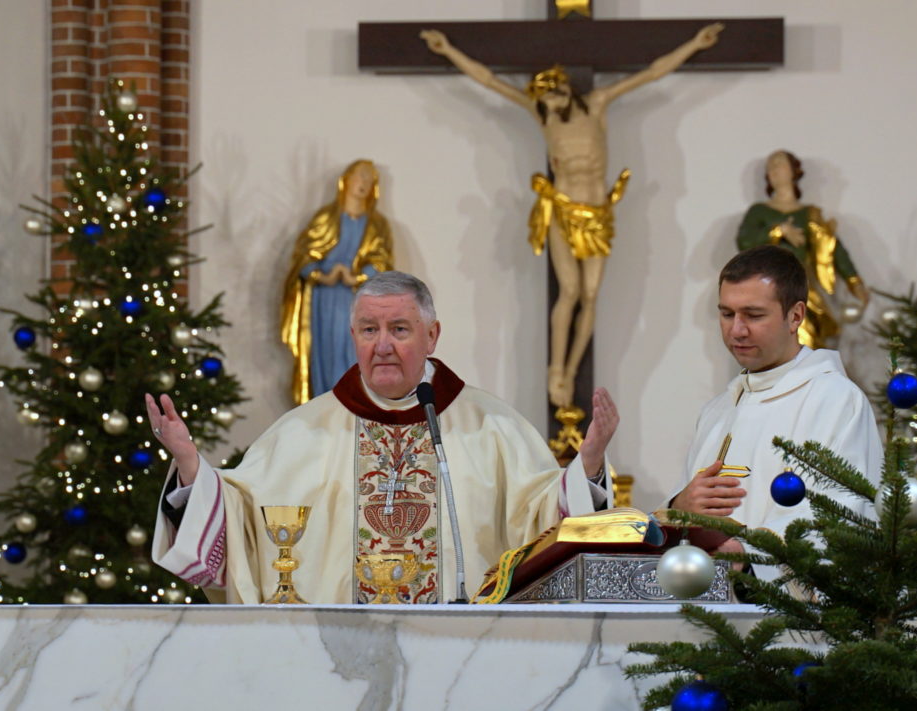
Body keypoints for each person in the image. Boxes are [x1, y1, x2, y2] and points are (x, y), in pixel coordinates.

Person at [149, 271, 618, 604]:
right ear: (353, 335)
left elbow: (544, 521)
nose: (383, 345)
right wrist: (192, 465)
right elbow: (244, 520)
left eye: (399, 329)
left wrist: (589, 463)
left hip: (463, 655)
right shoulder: (301, 431)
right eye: (370, 330)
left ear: (431, 336)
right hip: (335, 660)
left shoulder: (493, 426)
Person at [421, 24, 723, 410]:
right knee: (569, 292)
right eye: (542, 96)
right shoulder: (542, 115)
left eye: (552, 92)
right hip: (563, 210)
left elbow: (650, 73)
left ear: (563, 86)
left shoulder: (597, 105)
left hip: (597, 213)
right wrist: (447, 50)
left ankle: (573, 361)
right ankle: (557, 369)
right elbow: (489, 81)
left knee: (591, 294)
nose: (548, 100)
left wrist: (694, 44)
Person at [666, 245, 882, 580]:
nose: (737, 330)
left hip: (794, 619)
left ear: (795, 316)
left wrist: (749, 553)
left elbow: (838, 513)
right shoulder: (718, 411)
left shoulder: (835, 400)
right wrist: (678, 505)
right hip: (707, 609)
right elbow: (686, 514)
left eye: (753, 315)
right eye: (727, 314)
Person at [281, 159, 393, 405]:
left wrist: (359, 276)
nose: (363, 183)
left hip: (360, 300)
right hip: (324, 301)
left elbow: (383, 262)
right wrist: (323, 275)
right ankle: (324, 407)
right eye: (358, 176)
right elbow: (303, 258)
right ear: (345, 181)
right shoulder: (324, 219)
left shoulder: (377, 225)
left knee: (357, 354)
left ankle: (357, 407)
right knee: (326, 357)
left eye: (369, 179)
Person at [736, 150, 870, 349]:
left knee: (805, 340)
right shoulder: (759, 212)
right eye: (770, 167)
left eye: (779, 164)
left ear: (794, 171)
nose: (774, 169)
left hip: (801, 289)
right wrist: (778, 230)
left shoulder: (810, 215)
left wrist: (855, 282)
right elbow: (745, 243)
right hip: (766, 289)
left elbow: (833, 249)